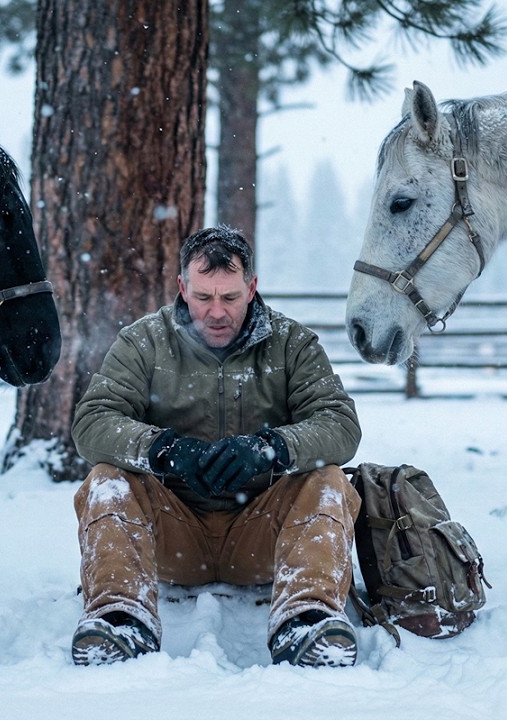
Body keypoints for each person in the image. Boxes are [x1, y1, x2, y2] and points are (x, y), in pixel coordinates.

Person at [69, 225, 363, 667]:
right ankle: (119, 620)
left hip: (264, 535)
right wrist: (162, 451)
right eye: (204, 297)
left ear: (252, 287)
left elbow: (341, 424)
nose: (216, 312)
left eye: (230, 297)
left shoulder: (292, 344)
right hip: (170, 535)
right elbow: (91, 422)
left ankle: (306, 620)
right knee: (106, 480)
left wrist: (272, 449)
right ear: (183, 288)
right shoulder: (143, 341)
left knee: (328, 479)